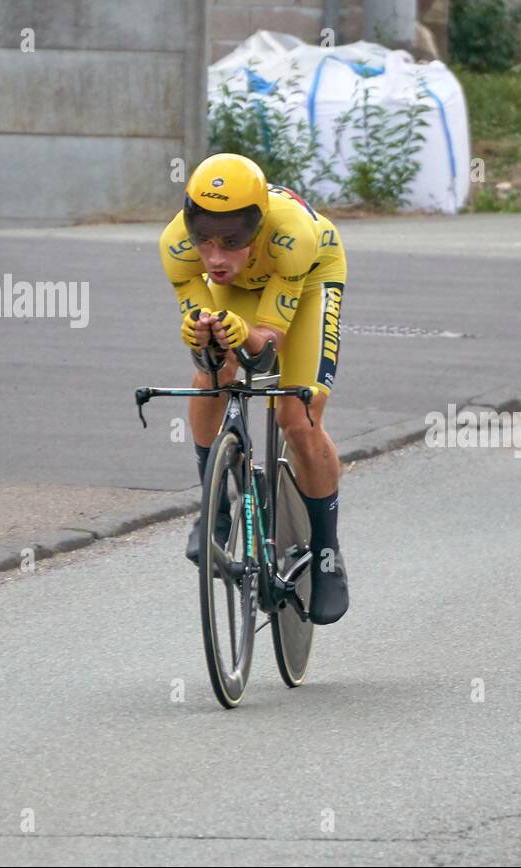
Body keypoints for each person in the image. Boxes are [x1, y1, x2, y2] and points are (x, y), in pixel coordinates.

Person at [159, 153, 349, 625]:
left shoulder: (292, 239)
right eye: (204, 238)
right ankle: (215, 505)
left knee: (297, 417)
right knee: (211, 377)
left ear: (258, 226)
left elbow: (267, 346)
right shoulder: (175, 247)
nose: (215, 256)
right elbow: (206, 342)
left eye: (232, 240)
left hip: (307, 282)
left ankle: (327, 552)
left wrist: (247, 335)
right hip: (243, 290)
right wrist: (202, 338)